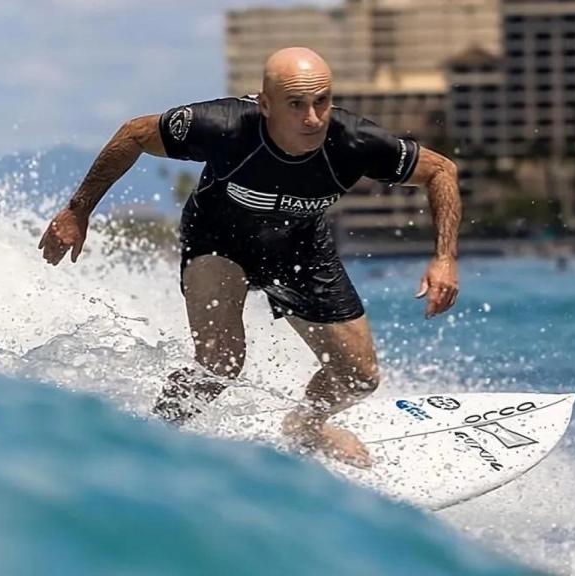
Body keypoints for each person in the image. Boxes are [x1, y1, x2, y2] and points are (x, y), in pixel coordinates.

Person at [38, 47, 461, 468]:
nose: (312, 118)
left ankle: (307, 425)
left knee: (359, 377)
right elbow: (134, 133)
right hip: (218, 243)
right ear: (265, 105)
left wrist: (444, 257)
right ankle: (152, 439)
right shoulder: (224, 126)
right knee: (221, 362)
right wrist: (79, 209)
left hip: (301, 248)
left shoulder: (354, 141)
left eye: (322, 102)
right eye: (295, 105)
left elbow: (441, 171)